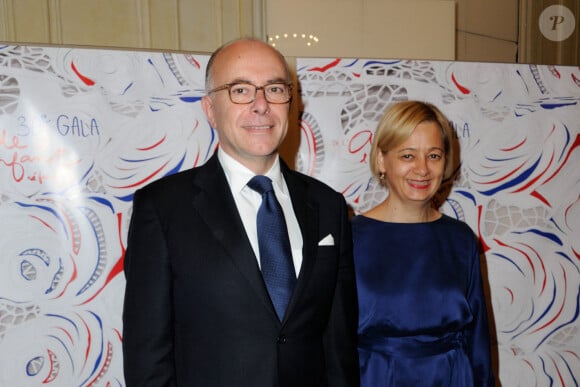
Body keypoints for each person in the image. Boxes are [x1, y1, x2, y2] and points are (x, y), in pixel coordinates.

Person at [122, 38, 360, 387]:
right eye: (240, 90)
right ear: (209, 109)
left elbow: (338, 345)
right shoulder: (162, 208)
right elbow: (148, 358)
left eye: (275, 89)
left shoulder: (329, 206)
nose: (261, 105)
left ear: (292, 103)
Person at [352, 100, 495, 386]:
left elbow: (477, 339)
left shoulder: (461, 239)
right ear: (382, 160)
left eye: (433, 155)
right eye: (407, 155)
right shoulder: (350, 239)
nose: (422, 169)